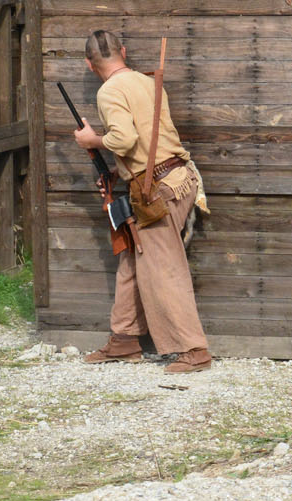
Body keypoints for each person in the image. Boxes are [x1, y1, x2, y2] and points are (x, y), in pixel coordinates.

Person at [71, 30, 211, 374]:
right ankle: (125, 339)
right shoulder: (147, 82)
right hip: (174, 180)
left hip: (159, 189)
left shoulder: (110, 90)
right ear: (124, 51)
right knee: (136, 260)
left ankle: (193, 349)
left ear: (90, 65)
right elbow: (147, 138)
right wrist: (123, 168)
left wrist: (93, 139)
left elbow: (124, 137)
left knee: (163, 268)